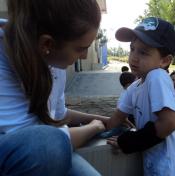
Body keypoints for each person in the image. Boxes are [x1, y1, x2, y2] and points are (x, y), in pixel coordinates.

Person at [0, 0, 110, 175]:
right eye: (80, 48)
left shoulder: (53, 61)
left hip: (49, 152)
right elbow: (37, 144)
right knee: (48, 145)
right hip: (30, 154)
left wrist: (101, 119)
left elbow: (58, 115)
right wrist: (93, 128)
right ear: (47, 44)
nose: (84, 56)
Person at [106, 17, 175, 176]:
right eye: (132, 49)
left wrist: (129, 141)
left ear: (164, 60)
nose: (133, 57)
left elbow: (169, 123)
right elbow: (115, 120)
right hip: (155, 166)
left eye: (143, 52)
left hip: (172, 168)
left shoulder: (157, 76)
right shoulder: (134, 87)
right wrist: (93, 126)